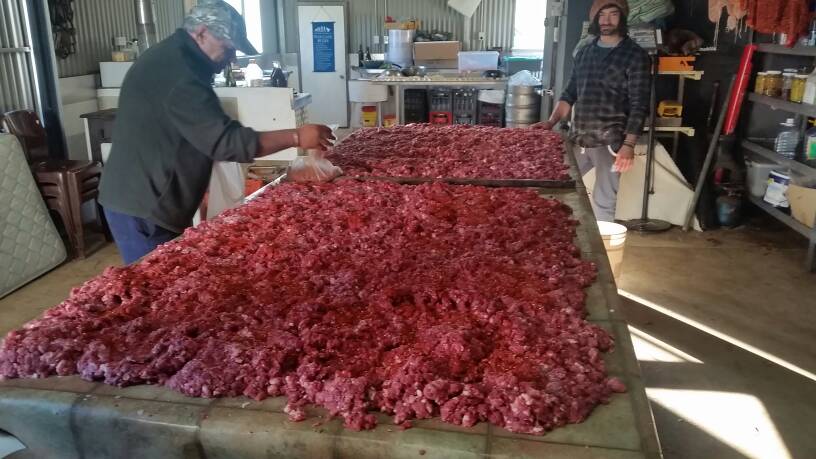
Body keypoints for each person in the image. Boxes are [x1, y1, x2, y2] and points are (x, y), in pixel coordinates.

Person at [99, 0, 335, 264]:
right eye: (228, 49)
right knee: (154, 279)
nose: (231, 58)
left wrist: (201, 182)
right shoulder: (179, 74)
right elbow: (227, 142)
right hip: (144, 206)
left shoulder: (173, 57)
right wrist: (297, 137)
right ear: (202, 33)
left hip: (146, 195)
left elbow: (191, 135)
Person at [534, 0, 650, 222]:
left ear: (622, 18)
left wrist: (628, 145)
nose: (606, 20)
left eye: (613, 14)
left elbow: (639, 104)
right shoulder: (584, 53)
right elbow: (569, 94)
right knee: (558, 184)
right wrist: (551, 122)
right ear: (595, 19)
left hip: (610, 141)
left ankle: (602, 244)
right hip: (579, 137)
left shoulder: (635, 56)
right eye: (602, 15)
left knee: (604, 200)